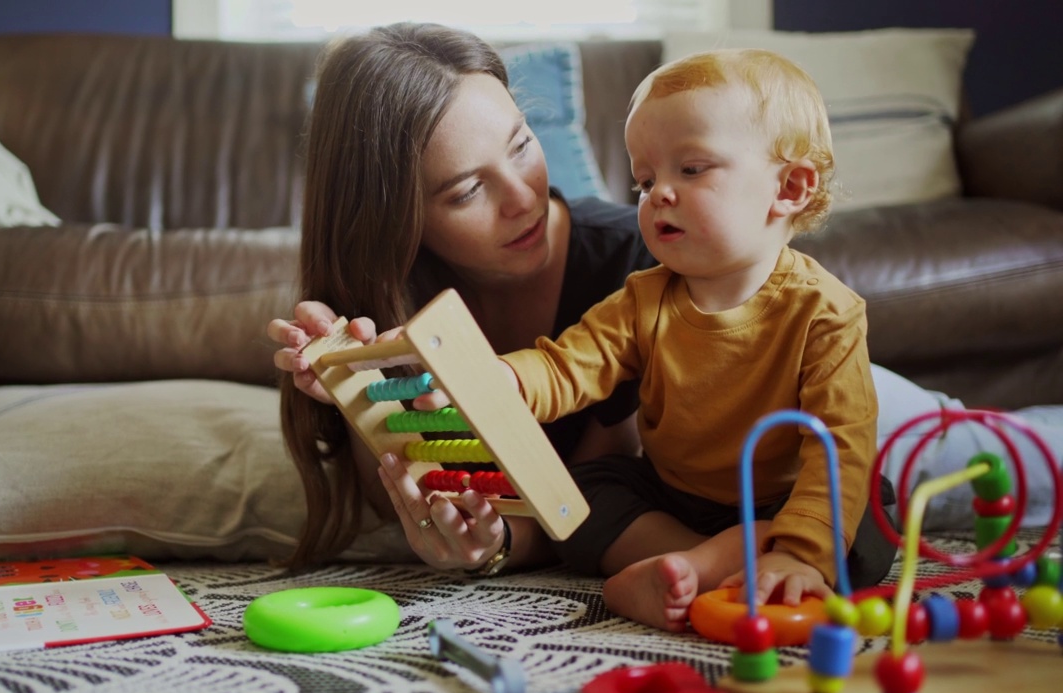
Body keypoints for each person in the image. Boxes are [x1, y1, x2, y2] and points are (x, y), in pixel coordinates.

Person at [462, 46, 895, 630]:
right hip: (675, 498)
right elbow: (571, 364)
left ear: (789, 188)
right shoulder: (644, 298)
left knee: (865, 514)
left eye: (691, 170)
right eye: (645, 179)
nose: (659, 193)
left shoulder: (827, 313)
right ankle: (713, 560)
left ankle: (731, 560)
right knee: (580, 494)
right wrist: (505, 378)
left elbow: (837, 445)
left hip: (784, 499)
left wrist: (802, 550)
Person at [269, 22, 655, 576]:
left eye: (522, 145)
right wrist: (356, 391)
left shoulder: (639, 266)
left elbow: (598, 500)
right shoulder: (389, 292)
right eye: (467, 191)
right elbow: (393, 502)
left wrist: (501, 546)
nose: (525, 198)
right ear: (395, 219)